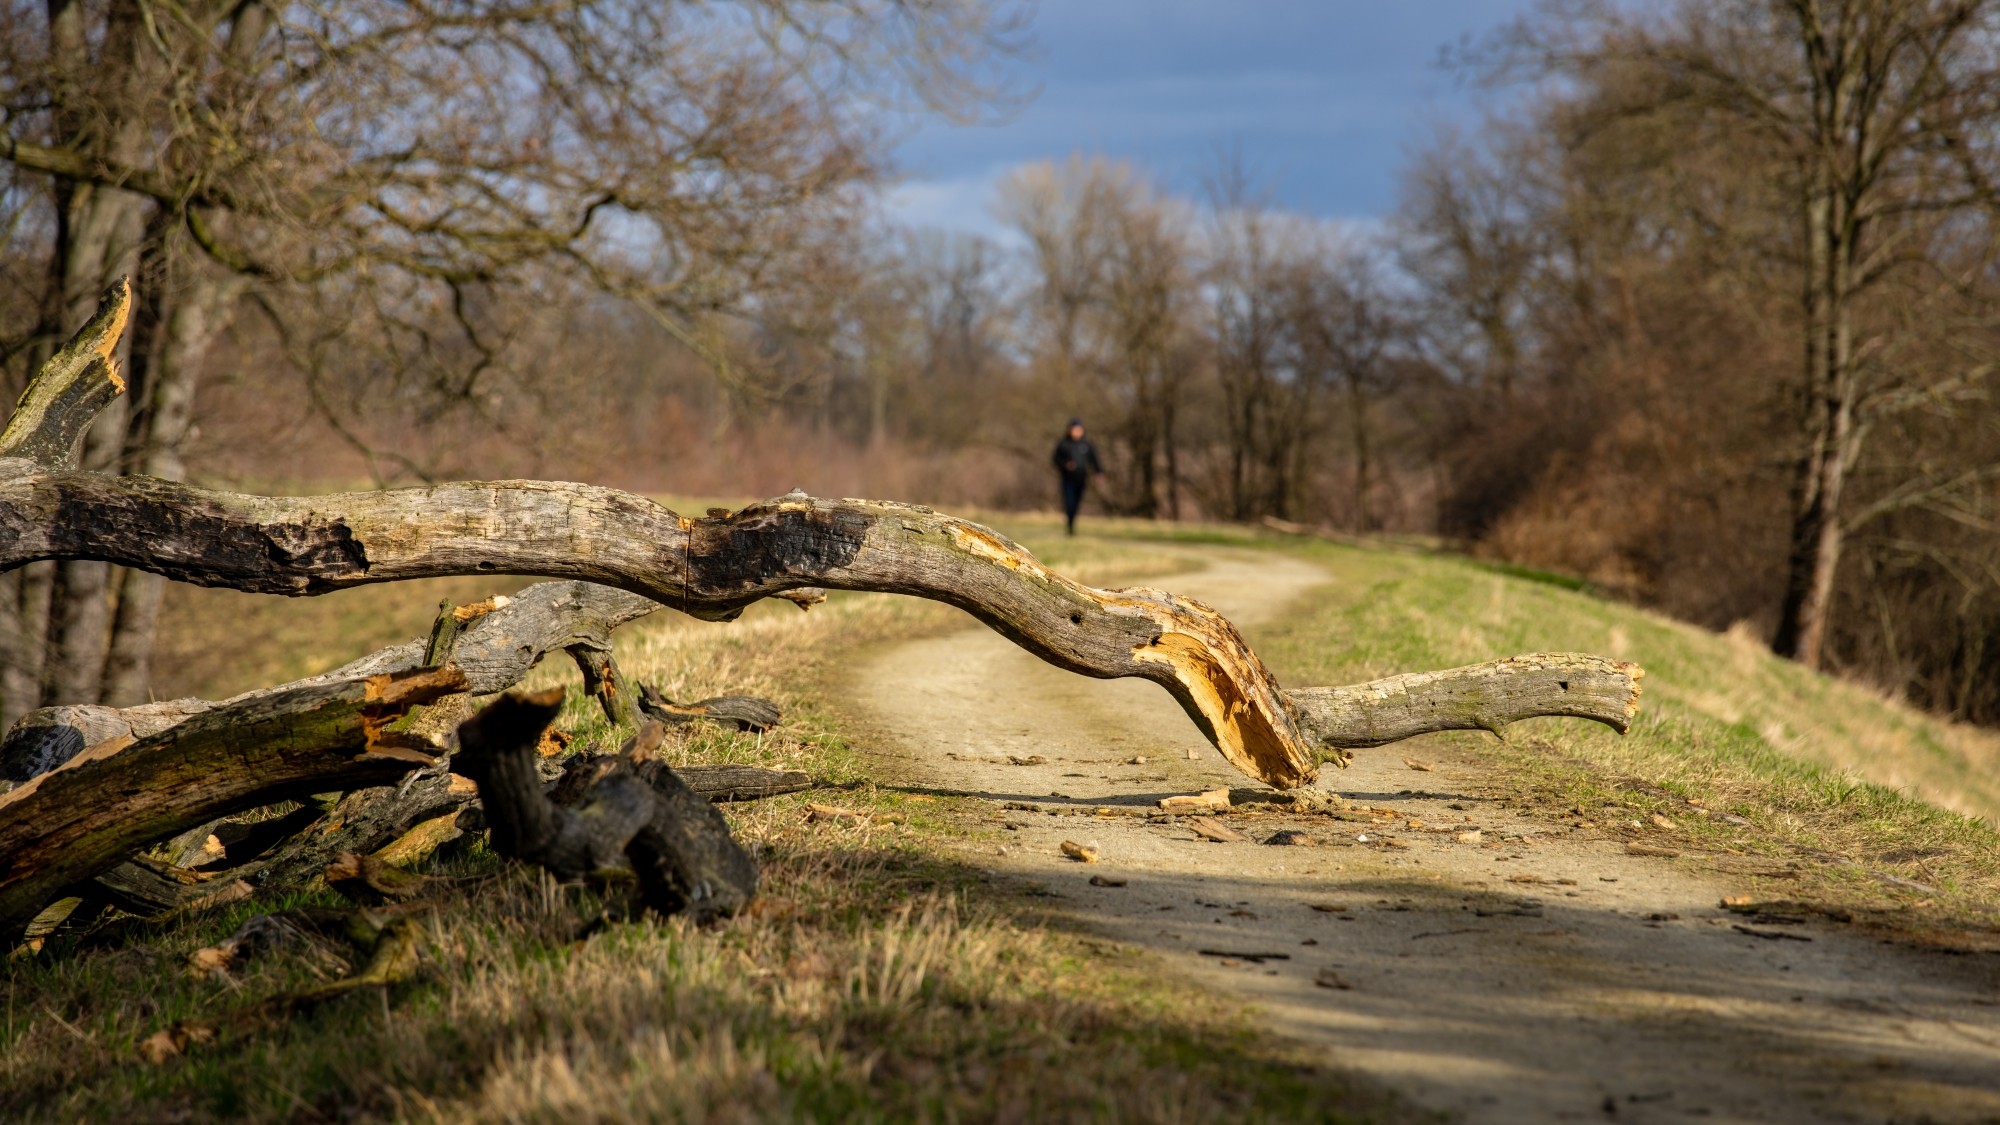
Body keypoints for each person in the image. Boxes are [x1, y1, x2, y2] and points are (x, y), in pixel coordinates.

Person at [1050, 418, 1104, 535]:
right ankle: (1070, 526)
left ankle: (1072, 523)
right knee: (1070, 502)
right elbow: (1055, 459)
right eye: (1074, 430)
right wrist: (1065, 464)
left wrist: (1098, 472)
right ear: (1069, 430)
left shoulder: (1086, 444)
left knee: (1076, 503)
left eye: (1078, 430)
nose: (1076, 432)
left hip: (1081, 478)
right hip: (1067, 479)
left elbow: (1094, 460)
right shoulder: (1064, 444)